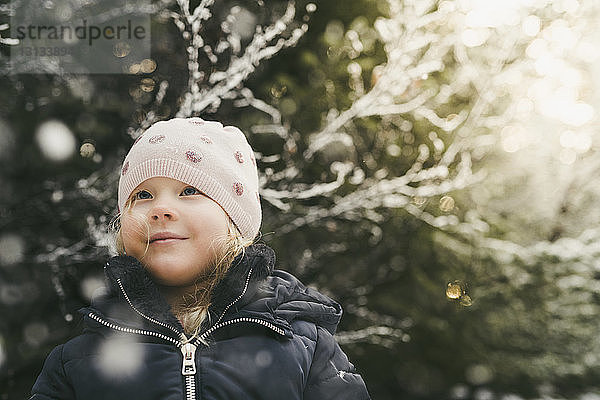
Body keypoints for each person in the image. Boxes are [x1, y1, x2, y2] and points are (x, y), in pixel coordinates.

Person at [30, 117, 371, 400]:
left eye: (190, 191)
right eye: (143, 195)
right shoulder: (77, 361)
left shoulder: (303, 348)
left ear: (235, 223)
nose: (161, 209)